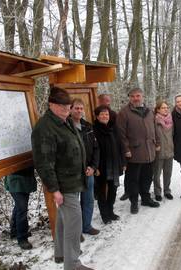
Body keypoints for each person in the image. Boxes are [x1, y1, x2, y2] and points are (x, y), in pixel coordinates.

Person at [31, 87, 93, 270]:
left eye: (69, 106)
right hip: (64, 184)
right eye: (63, 107)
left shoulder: (63, 121)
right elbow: (43, 162)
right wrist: (54, 189)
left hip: (73, 179)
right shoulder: (45, 128)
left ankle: (60, 254)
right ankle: (72, 264)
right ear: (51, 105)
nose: (67, 110)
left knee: (64, 220)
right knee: (74, 224)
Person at [117, 88, 160, 214]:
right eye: (133, 96)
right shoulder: (124, 113)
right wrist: (126, 149)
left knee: (147, 178)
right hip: (134, 153)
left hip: (149, 151)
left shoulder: (150, 111)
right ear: (129, 98)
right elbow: (121, 134)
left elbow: (155, 128)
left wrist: (157, 142)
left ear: (143, 96)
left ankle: (146, 199)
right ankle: (134, 202)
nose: (136, 98)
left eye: (138, 95)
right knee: (133, 180)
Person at [70, 99, 100, 236]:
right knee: (73, 204)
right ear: (70, 109)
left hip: (89, 171)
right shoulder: (65, 126)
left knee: (88, 200)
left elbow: (96, 148)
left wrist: (93, 167)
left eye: (81, 108)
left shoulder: (88, 126)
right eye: (76, 108)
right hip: (74, 173)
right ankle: (76, 231)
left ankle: (86, 226)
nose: (79, 111)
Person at [93, 105, 125, 224]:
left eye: (106, 114)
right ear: (97, 116)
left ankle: (110, 212)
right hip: (101, 167)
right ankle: (104, 215)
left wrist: (123, 162)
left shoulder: (113, 127)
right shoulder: (94, 130)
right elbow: (92, 150)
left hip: (115, 165)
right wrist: (95, 167)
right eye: (102, 114)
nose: (105, 116)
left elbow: (120, 145)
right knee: (102, 192)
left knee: (113, 190)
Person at [5, 167, 37, 250]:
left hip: (26, 178)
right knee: (22, 208)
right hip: (15, 179)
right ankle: (22, 238)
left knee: (20, 206)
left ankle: (15, 231)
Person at [152, 100, 174, 201]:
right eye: (163, 108)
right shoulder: (154, 120)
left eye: (167, 108)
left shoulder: (171, 120)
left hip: (169, 150)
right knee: (156, 174)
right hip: (158, 151)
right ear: (158, 110)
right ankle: (157, 192)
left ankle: (167, 191)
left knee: (168, 173)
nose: (165, 109)